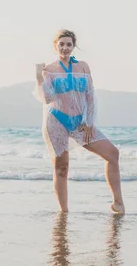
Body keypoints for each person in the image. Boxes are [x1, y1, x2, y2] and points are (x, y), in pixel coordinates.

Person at [34, 29, 125, 214]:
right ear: (55, 46)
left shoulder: (83, 67)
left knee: (112, 154)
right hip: (56, 121)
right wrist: (38, 77)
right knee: (61, 167)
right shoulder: (49, 70)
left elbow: (90, 96)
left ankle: (118, 203)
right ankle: (64, 212)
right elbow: (47, 99)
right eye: (62, 44)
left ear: (73, 47)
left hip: (80, 123)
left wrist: (89, 122)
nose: (65, 48)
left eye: (69, 44)